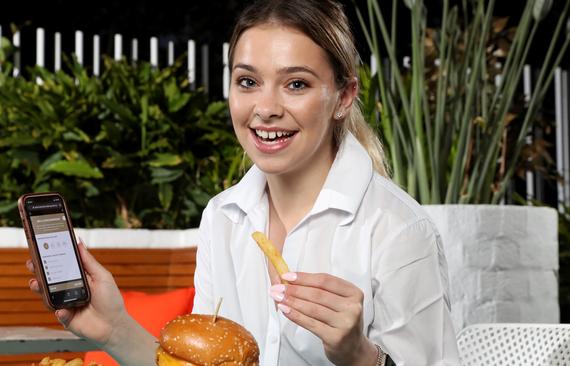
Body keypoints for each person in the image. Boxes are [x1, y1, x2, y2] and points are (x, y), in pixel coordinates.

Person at [27, 0, 460, 364]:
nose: (266, 108)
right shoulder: (222, 216)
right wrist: (114, 329)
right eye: (248, 81)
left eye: (296, 84)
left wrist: (362, 356)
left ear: (343, 97)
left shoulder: (398, 230)